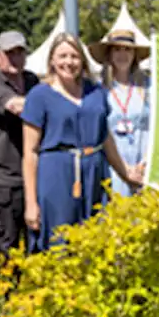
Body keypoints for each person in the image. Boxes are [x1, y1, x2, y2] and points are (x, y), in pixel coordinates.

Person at [21, 34, 143, 253]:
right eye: (63, 56)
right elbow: (30, 152)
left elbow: (105, 137)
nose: (69, 62)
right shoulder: (39, 96)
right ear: (52, 60)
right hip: (57, 175)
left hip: (94, 173)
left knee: (95, 239)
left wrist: (125, 173)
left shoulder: (95, 92)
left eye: (74, 56)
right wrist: (31, 202)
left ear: (83, 61)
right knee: (59, 243)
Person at [0, 31, 39, 255]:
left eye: (20, 52)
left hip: (30, 176)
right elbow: (17, 106)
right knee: (7, 248)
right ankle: (8, 291)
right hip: (1, 181)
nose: (15, 58)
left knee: (35, 244)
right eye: (9, 53)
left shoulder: (32, 80)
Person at [89, 29, 150, 199]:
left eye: (127, 49)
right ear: (109, 54)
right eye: (117, 49)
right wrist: (124, 170)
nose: (122, 54)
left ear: (135, 54)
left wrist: (144, 164)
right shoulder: (98, 89)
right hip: (112, 170)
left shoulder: (149, 86)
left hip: (144, 169)